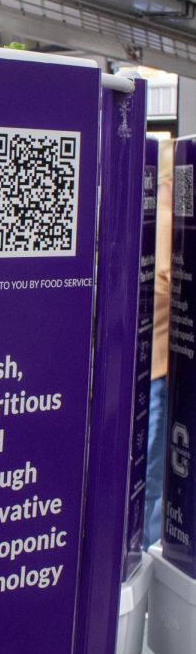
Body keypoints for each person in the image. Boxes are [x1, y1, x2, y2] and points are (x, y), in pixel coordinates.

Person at [144, 139, 173, 549]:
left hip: (154, 366)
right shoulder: (166, 218)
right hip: (157, 368)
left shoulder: (154, 215)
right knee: (150, 476)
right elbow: (164, 288)